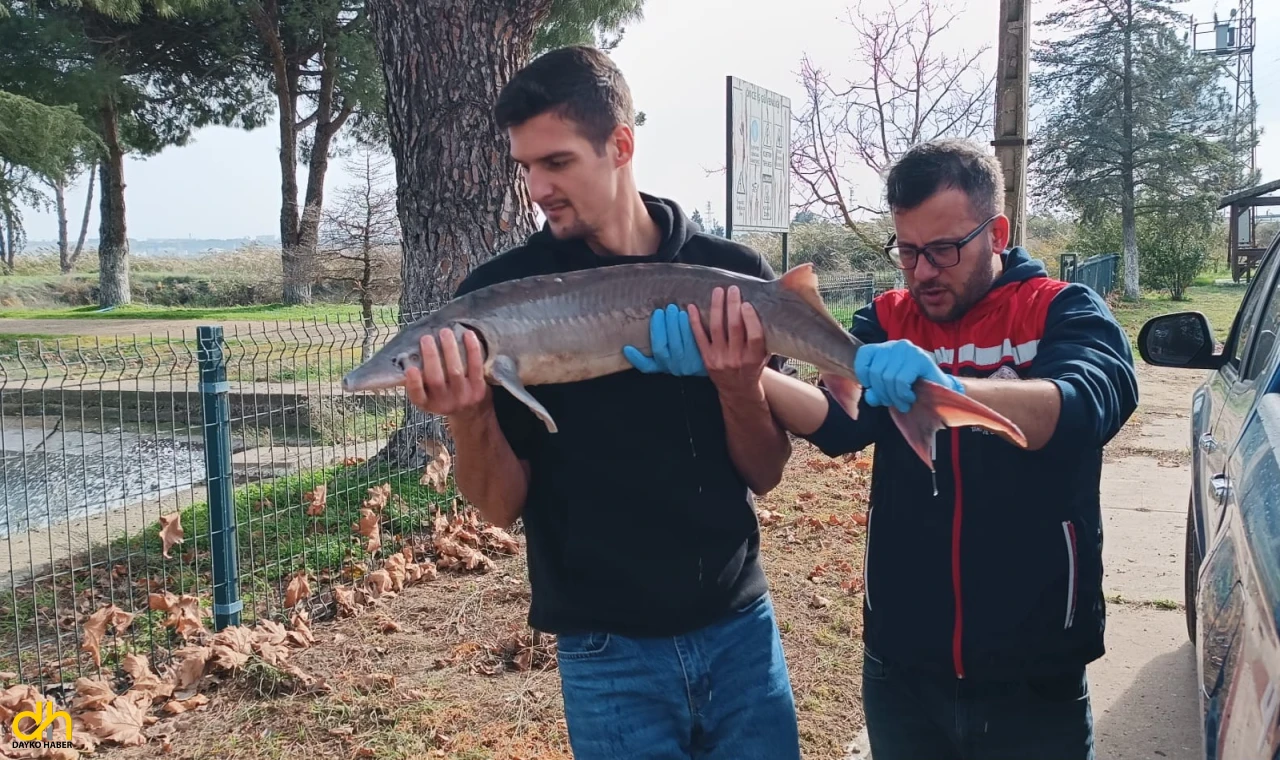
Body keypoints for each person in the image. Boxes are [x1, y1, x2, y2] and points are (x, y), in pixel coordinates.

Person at [641, 138, 1139, 759]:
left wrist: (950, 390)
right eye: (907, 251)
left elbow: (1088, 403)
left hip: (1035, 671)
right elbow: (839, 423)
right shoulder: (887, 319)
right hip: (902, 668)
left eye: (943, 250)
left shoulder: (1061, 310)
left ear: (997, 233)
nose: (923, 272)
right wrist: (736, 373)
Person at [399, 45, 803, 760]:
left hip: (739, 628)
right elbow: (498, 507)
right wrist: (469, 412)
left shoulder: (733, 277)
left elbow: (766, 472)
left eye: (556, 163)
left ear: (620, 145)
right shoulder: (497, 298)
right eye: (525, 167)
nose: (536, 188)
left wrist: (738, 384)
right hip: (605, 653)